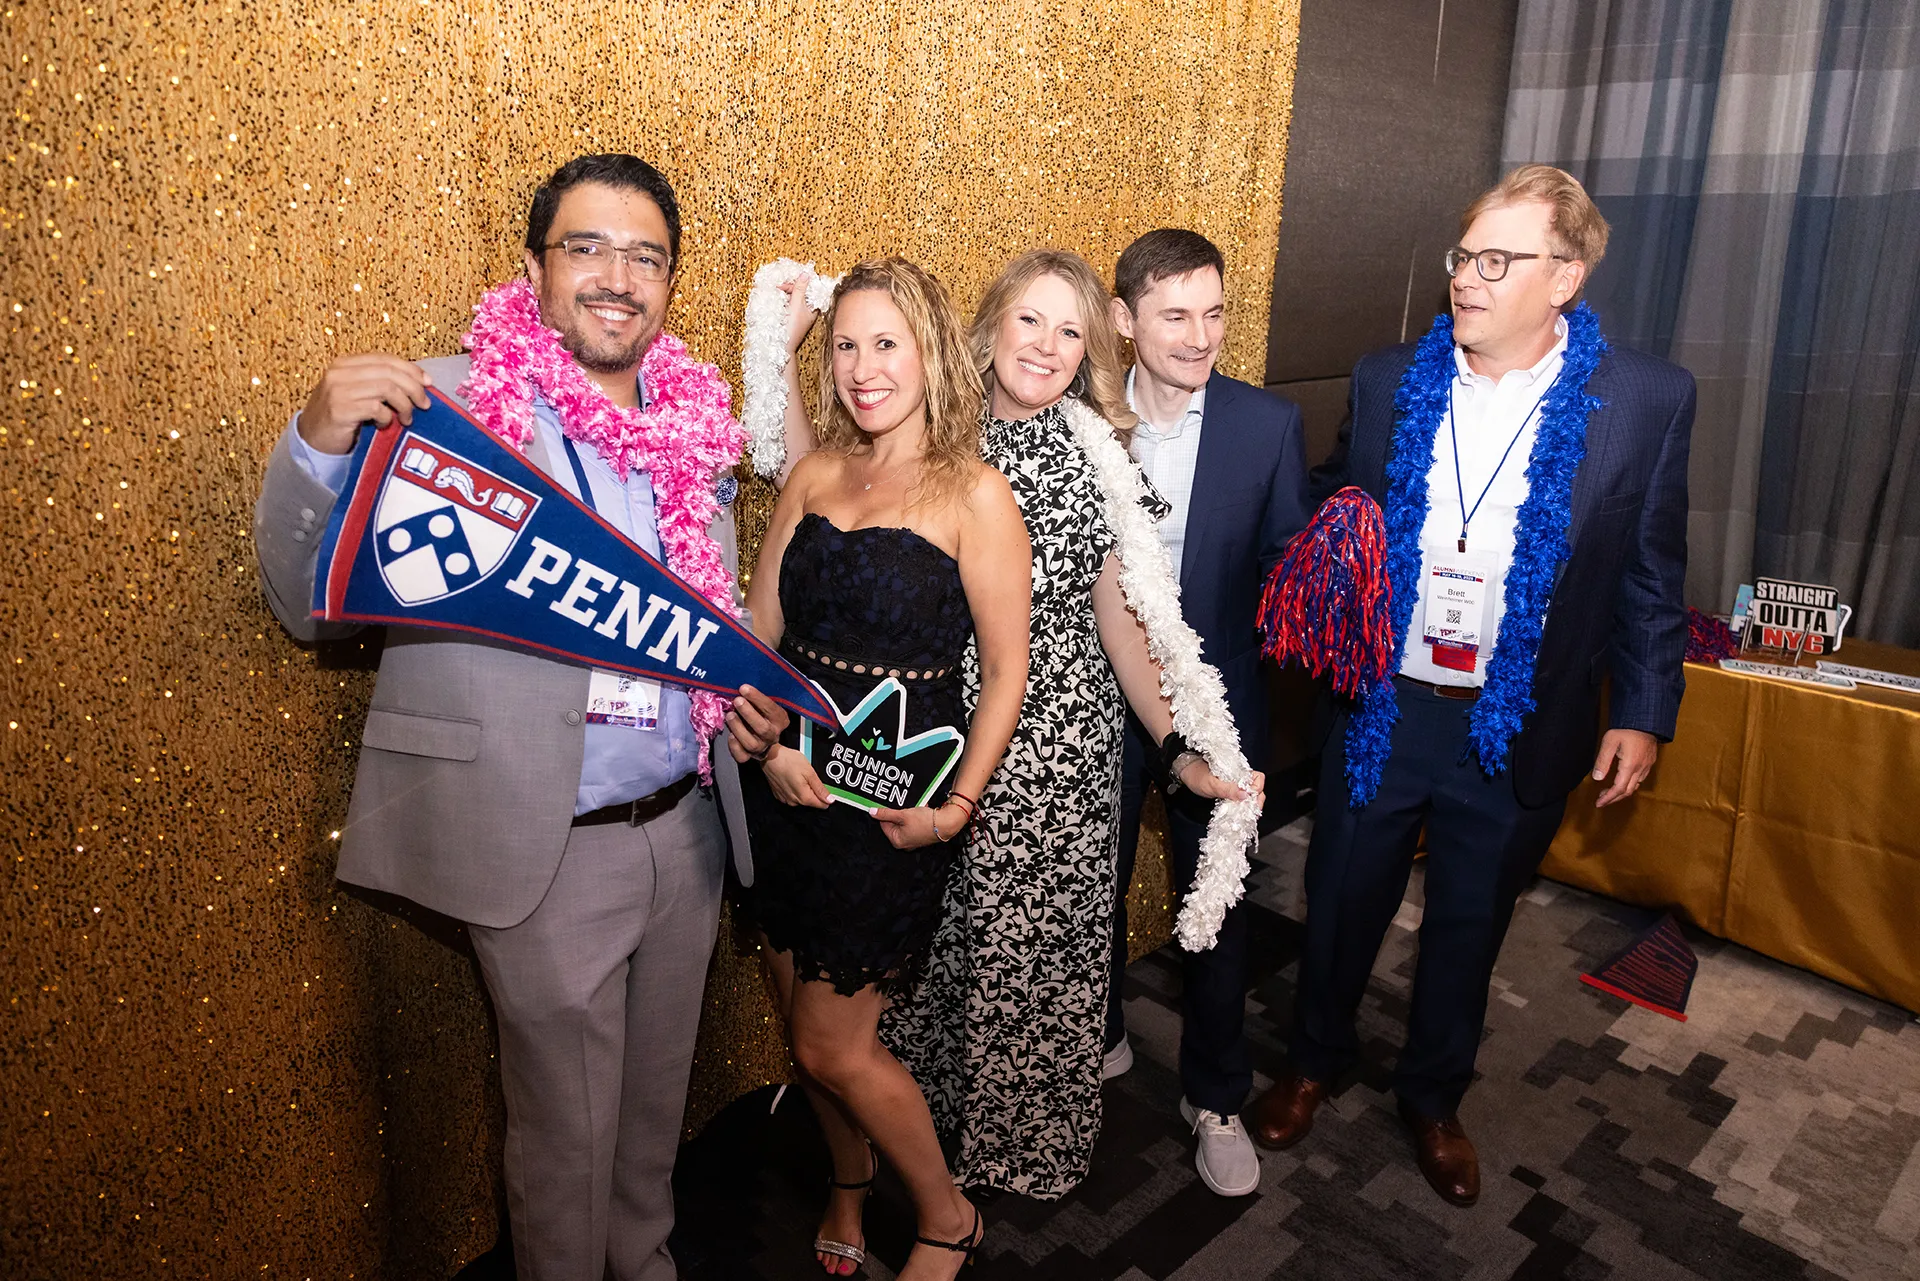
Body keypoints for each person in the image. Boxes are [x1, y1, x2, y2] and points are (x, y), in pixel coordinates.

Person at [253, 153, 790, 1280]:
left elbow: (703, 621)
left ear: (669, 284)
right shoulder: (447, 411)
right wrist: (313, 443)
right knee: (564, 1139)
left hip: (688, 829)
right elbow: (311, 608)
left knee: (651, 1123)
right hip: (546, 846)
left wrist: (738, 709)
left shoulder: (700, 436)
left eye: (646, 256)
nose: (617, 276)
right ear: (535, 269)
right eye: (587, 248)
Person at [1247, 165, 1694, 1208]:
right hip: (1385, 706)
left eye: (1500, 261)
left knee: (1469, 921)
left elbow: (1651, 571)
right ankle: (1313, 1061)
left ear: (1567, 277)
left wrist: (1642, 708)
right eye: (1463, 256)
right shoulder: (1387, 376)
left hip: (1521, 716)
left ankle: (1434, 1095)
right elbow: (1338, 497)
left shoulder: (1645, 400)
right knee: (1341, 895)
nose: (1467, 279)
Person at [878, 249, 1263, 1199]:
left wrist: (1177, 748)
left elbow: (1125, 623)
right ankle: (922, 1132)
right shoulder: (937, 433)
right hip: (942, 727)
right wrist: (779, 359)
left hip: (1058, 748)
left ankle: (1013, 1152)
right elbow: (834, 494)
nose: (1046, 347)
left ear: (1091, 347)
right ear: (991, 326)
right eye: (1029, 322)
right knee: (940, 939)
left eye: (1069, 330)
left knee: (1034, 951)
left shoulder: (1100, 457)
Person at [742, 258, 1030, 1277]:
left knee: (833, 1045)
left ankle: (947, 1216)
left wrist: (956, 809)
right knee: (797, 1022)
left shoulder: (976, 495)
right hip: (786, 794)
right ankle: (848, 1186)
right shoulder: (816, 475)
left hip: (893, 811)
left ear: (930, 353)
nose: (865, 369)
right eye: (849, 344)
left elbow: (1006, 673)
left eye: (887, 344)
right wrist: (763, 742)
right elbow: (763, 636)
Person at [1102, 229, 1310, 1197]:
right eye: (1176, 314)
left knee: (1219, 912)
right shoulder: (1085, 418)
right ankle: (1093, 1034)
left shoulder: (1266, 428)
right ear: (1124, 319)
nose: (1200, 335)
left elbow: (1283, 580)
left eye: (1214, 312)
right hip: (1100, 701)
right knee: (1083, 885)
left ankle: (1216, 1097)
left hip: (1218, 708)